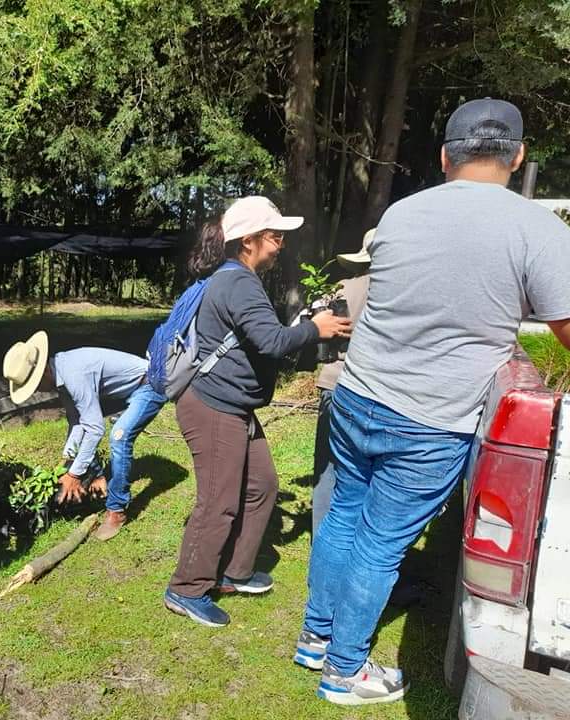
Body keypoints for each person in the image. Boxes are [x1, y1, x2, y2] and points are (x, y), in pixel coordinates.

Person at [297, 98, 570, 706]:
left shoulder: (401, 213)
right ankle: (344, 671)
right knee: (379, 541)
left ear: (446, 155)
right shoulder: (539, 230)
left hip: (358, 394)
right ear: (519, 156)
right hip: (430, 418)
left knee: (343, 515)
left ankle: (315, 637)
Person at [162, 196, 352, 627]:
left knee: (263, 484)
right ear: (248, 241)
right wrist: (314, 329)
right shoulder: (238, 282)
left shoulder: (238, 278)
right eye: (274, 235)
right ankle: (186, 588)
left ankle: (234, 571)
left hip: (235, 405)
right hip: (213, 406)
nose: (281, 242)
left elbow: (261, 335)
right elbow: (271, 342)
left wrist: (300, 325)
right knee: (218, 501)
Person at [3, 333, 166, 540]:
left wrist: (75, 475)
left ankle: (116, 511)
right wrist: (69, 460)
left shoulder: (73, 374)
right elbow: (76, 421)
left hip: (150, 384)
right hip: (131, 391)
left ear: (42, 371)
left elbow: (95, 428)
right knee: (102, 438)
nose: (36, 390)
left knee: (119, 437)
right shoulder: (62, 372)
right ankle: (102, 481)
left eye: (34, 384)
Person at [311, 229, 373, 532]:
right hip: (373, 389)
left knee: (328, 467)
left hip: (334, 382)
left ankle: (321, 535)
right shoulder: (398, 293)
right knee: (365, 469)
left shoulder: (338, 289)